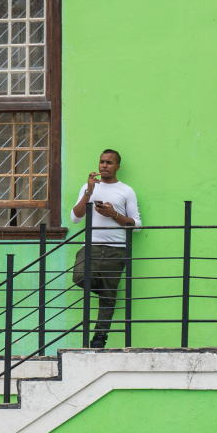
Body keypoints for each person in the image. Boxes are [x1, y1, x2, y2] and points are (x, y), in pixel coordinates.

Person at [70, 149, 141, 348]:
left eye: (109, 163)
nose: (104, 166)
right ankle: (105, 290)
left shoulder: (126, 190)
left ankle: (100, 338)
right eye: (101, 162)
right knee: (80, 277)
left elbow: (137, 225)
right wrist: (88, 193)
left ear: (117, 166)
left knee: (108, 299)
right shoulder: (88, 188)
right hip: (90, 247)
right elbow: (75, 218)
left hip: (116, 249)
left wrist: (113, 214)